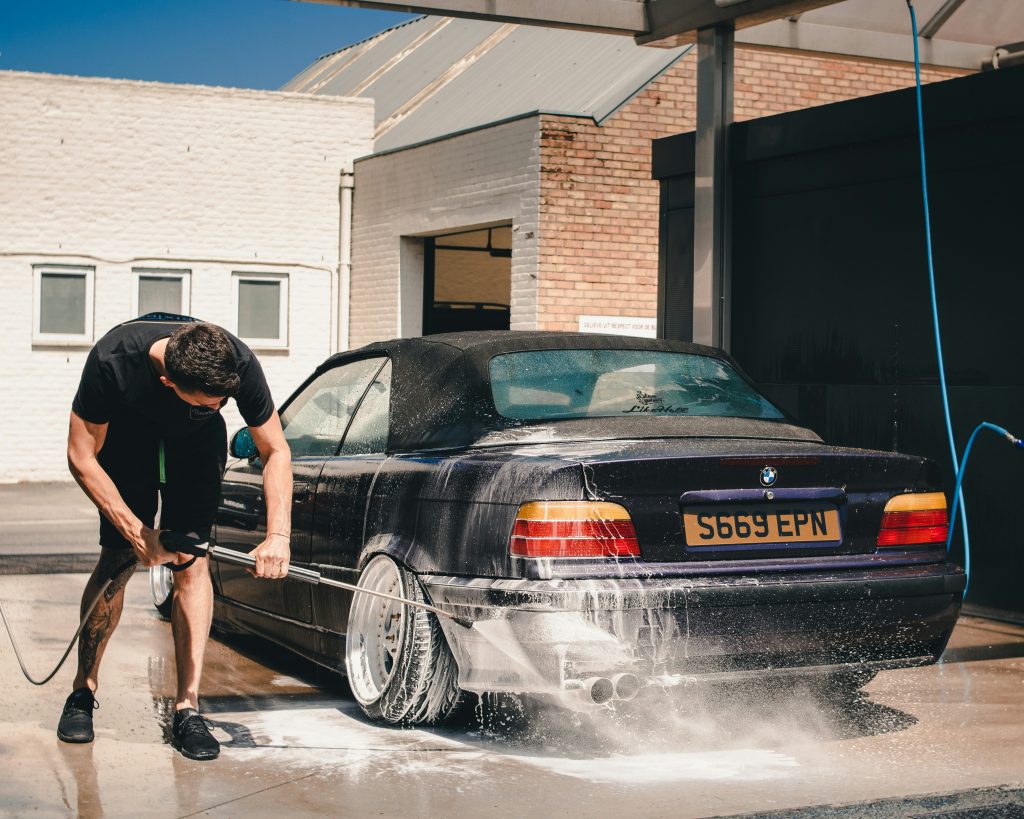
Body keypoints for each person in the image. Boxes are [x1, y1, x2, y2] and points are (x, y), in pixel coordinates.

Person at [59, 314, 292, 760]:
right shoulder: (113, 360)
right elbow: (80, 454)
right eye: (211, 402)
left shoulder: (235, 360)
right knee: (116, 562)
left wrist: (277, 535)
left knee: (192, 564)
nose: (222, 405)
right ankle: (82, 693)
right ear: (169, 382)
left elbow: (275, 449)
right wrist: (136, 532)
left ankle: (187, 708)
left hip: (194, 448)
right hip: (128, 442)